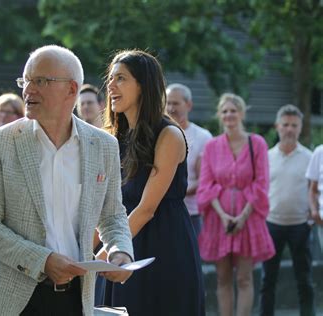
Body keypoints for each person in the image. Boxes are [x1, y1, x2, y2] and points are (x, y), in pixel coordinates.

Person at [0, 45, 134, 316]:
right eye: (25, 81)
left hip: (74, 299)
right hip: (8, 301)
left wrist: (121, 252)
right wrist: (42, 260)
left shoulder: (104, 145)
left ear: (72, 90)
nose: (28, 90)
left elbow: (112, 216)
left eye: (40, 81)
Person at [96, 49, 205, 315]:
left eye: (120, 78)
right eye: (111, 79)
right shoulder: (112, 138)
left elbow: (147, 208)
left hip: (163, 245)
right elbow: (103, 205)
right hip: (121, 243)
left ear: (143, 85)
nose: (110, 86)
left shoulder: (168, 134)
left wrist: (98, 257)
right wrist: (80, 254)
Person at [197, 93, 275, 316]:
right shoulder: (212, 146)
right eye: (224, 111)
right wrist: (223, 216)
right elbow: (206, 184)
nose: (229, 115)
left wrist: (242, 216)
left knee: (244, 277)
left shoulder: (257, 143)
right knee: (222, 278)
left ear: (241, 113)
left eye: (233, 110)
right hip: (217, 220)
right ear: (220, 116)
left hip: (248, 219)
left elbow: (261, 182)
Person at [260, 104, 315, 316]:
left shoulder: (310, 157)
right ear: (277, 126)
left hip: (301, 225)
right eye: (285, 124)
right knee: (267, 280)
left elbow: (317, 190)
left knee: (305, 279)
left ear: (300, 127)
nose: (289, 129)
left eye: (294, 125)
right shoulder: (266, 157)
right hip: (272, 224)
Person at [166, 83, 212, 235]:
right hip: (160, 210)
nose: (171, 108)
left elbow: (204, 179)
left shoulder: (203, 137)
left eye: (176, 103)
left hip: (190, 213)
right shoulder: (157, 134)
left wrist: (172, 192)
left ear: (189, 105)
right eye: (168, 103)